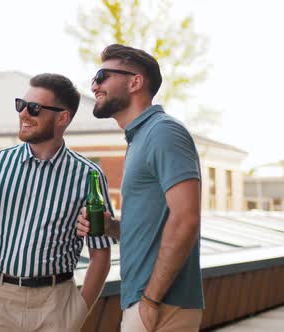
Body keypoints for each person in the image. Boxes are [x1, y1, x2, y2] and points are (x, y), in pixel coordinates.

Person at [0, 73, 116, 331]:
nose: (24, 114)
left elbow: (100, 253)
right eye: (21, 105)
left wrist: (78, 313)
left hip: (56, 306)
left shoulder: (88, 176)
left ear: (62, 117)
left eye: (35, 108)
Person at [77, 44, 204, 331]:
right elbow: (155, 228)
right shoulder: (140, 138)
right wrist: (112, 227)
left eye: (102, 76)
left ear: (135, 82)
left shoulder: (163, 132)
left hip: (160, 305)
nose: (94, 85)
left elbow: (186, 218)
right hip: (146, 302)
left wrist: (150, 300)